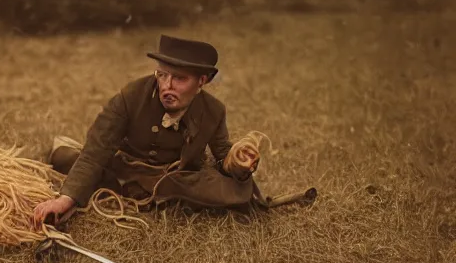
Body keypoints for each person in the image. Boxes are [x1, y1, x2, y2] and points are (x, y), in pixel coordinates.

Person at [32, 34, 315, 226]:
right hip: (124, 169)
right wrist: (65, 199)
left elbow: (220, 156)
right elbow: (96, 151)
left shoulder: (213, 111)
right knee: (74, 162)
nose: (167, 86)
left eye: (179, 79)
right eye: (161, 75)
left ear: (201, 81)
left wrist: (238, 163)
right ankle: (64, 150)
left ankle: (170, 195)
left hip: (178, 178)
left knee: (227, 190)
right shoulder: (130, 96)